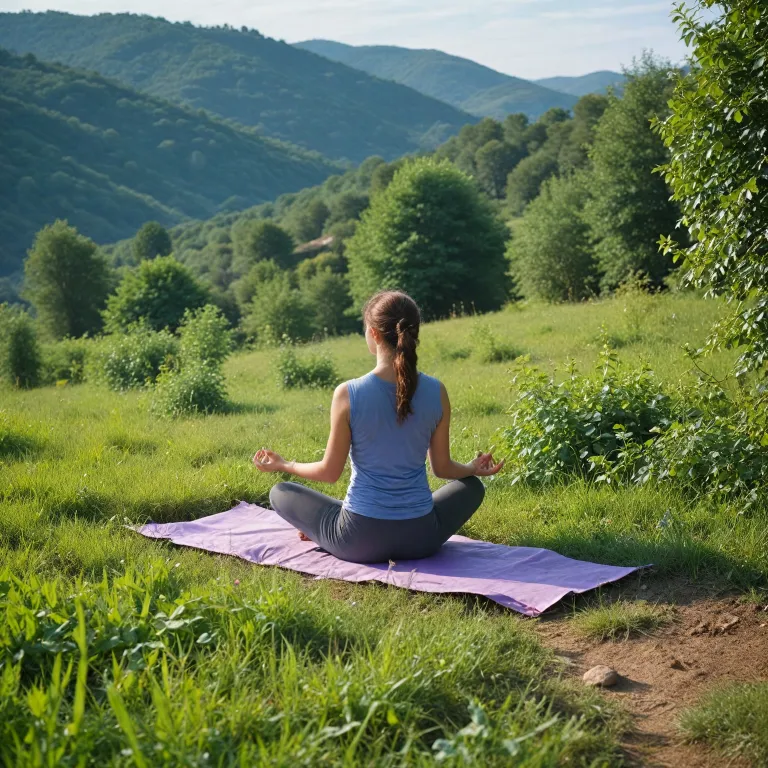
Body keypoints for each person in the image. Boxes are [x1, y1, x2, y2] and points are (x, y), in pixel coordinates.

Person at [252, 290, 504, 564]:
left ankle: (321, 532)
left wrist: (284, 464)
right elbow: (442, 469)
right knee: (473, 487)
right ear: (414, 332)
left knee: (280, 492)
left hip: (359, 540)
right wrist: (472, 469)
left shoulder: (348, 393)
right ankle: (331, 528)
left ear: (373, 333)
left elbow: (329, 472)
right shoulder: (436, 391)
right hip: (422, 539)